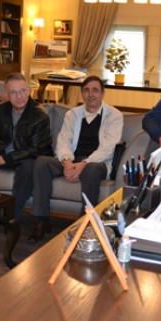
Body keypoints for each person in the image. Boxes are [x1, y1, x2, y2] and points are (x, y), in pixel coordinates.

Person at [28, 76, 123, 243]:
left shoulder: (114, 116)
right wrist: (67, 162)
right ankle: (42, 220)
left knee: (91, 170)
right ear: (82, 93)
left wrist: (84, 164)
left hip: (96, 163)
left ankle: (84, 223)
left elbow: (108, 148)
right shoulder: (72, 114)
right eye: (86, 90)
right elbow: (63, 141)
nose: (90, 94)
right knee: (42, 162)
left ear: (103, 94)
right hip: (72, 159)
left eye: (95, 90)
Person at [0, 72, 52, 218]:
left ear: (29, 91)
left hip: (24, 158)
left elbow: (35, 149)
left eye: (22, 91)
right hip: (2, 155)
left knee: (29, 166)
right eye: (13, 92)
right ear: (6, 94)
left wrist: (3, 159)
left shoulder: (39, 115)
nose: (19, 96)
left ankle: (12, 215)